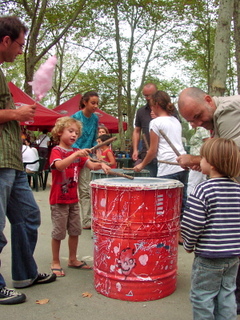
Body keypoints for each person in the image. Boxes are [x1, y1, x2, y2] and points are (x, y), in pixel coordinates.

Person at [0, 16, 56, 305]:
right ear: (6, 41)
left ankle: (25, 273)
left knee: (29, 216)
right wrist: (15, 114)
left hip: (12, 160)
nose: (21, 50)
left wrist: (15, 110)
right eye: (20, 44)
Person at [177, 86, 240, 313]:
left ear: (208, 100)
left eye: (197, 117)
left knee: (203, 296)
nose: (196, 124)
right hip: (233, 254)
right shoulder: (235, 189)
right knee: (227, 293)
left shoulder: (202, 190)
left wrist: (189, 243)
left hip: (209, 256)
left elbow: (193, 223)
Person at [49, 117, 111, 277]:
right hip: (59, 200)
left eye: (76, 133)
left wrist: (102, 164)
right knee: (58, 232)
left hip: (73, 199)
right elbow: (59, 165)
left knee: (75, 231)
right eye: (70, 131)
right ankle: (55, 261)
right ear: (59, 132)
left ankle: (72, 259)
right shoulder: (57, 151)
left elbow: (91, 164)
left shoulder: (75, 152)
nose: (74, 135)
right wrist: (76, 154)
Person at [133, 90, 188, 212]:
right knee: (181, 204)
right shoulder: (175, 120)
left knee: (165, 206)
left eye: (152, 105)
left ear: (156, 105)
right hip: (182, 166)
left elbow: (152, 150)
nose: (151, 108)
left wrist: (142, 165)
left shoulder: (155, 123)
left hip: (167, 168)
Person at [72, 91, 99, 229]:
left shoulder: (95, 119)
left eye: (97, 103)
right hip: (74, 156)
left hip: (88, 158)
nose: (95, 106)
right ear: (85, 102)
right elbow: (71, 140)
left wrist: (95, 149)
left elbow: (94, 138)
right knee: (71, 188)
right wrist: (80, 152)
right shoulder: (75, 118)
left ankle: (87, 219)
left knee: (86, 188)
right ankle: (72, 217)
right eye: (93, 103)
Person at [132, 83, 158, 177]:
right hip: (146, 155)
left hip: (164, 157)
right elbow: (137, 131)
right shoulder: (141, 111)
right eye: (145, 96)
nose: (147, 98)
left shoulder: (168, 109)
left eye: (150, 95)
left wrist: (160, 117)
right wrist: (135, 149)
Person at [187, 127, 210, 195]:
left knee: (192, 182)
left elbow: (208, 143)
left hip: (199, 160)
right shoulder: (197, 130)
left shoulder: (202, 129)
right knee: (202, 181)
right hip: (198, 159)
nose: (191, 124)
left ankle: (190, 201)